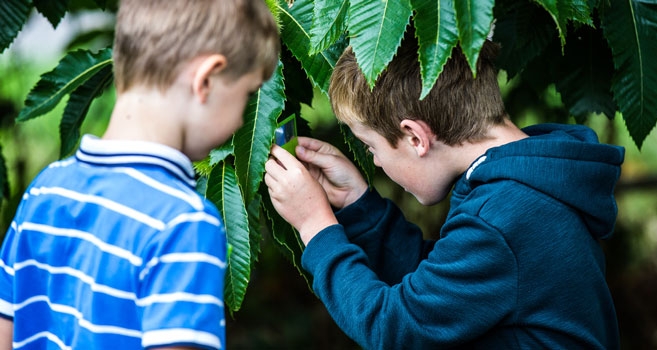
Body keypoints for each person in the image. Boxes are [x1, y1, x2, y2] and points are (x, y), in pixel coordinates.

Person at [264, 31, 624, 349]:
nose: (373, 163)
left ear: (415, 137)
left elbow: (396, 329)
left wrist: (315, 225)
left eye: (371, 148)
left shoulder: (501, 218)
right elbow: (440, 288)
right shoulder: (524, 184)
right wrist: (358, 204)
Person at [0, 0, 279, 348]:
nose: (242, 121)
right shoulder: (184, 224)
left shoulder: (45, 191)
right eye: (247, 95)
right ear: (205, 80)